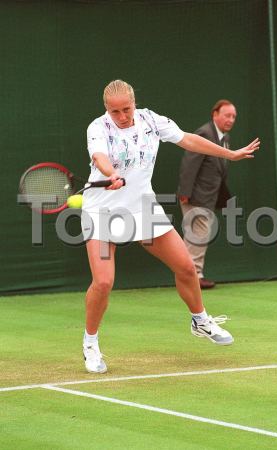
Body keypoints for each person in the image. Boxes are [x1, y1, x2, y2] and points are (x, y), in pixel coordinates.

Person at [81, 80, 259, 373]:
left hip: (142, 208)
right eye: (115, 112)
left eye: (126, 109)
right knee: (103, 282)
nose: (122, 116)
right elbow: (99, 156)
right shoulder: (98, 128)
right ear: (106, 110)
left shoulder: (151, 120)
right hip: (101, 211)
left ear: (134, 103)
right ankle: (90, 343)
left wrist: (230, 154)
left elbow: (188, 139)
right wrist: (110, 172)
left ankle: (200, 320)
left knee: (186, 267)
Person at [178, 100, 237, 289]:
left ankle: (191, 274)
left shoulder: (225, 138)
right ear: (215, 115)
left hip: (209, 197)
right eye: (227, 115)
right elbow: (190, 164)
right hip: (195, 196)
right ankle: (193, 275)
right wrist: (185, 193)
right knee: (198, 234)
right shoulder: (205, 133)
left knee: (198, 234)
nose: (231, 120)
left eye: (233, 116)